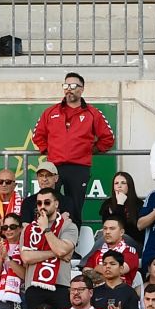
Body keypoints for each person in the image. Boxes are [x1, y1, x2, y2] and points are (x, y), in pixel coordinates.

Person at [32, 74, 115, 221]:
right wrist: (49, 150)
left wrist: (89, 150)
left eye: (73, 86)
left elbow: (108, 138)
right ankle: (47, 239)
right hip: (54, 167)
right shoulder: (50, 112)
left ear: (82, 89)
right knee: (48, 205)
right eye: (66, 86)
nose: (69, 89)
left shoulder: (92, 113)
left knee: (75, 208)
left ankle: (71, 242)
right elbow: (37, 136)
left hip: (79, 168)